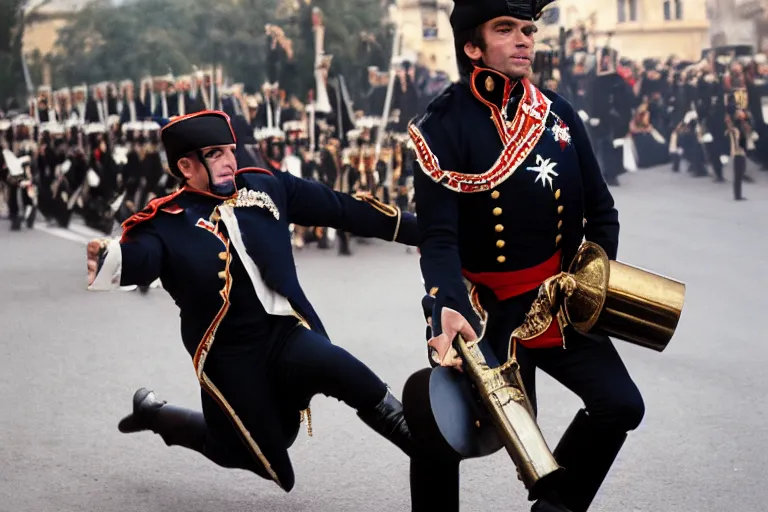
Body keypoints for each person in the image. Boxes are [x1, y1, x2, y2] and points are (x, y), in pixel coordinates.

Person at [86, 110, 419, 493]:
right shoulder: (166, 221)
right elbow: (141, 259)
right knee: (245, 452)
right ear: (186, 165)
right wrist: (111, 260)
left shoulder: (265, 186)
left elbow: (343, 209)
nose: (230, 161)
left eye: (231, 150)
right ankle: (156, 415)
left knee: (344, 370)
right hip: (230, 356)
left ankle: (428, 448)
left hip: (285, 334)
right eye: (215, 154)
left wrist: (429, 234)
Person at [407, 1, 645, 511]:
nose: (524, 40)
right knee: (441, 424)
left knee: (621, 405)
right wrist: (448, 304)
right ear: (473, 47)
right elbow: (439, 237)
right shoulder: (441, 125)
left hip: (555, 303)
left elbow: (602, 213)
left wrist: (592, 290)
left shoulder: (557, 112)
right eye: (506, 29)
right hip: (480, 309)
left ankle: (555, 508)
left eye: (528, 30)